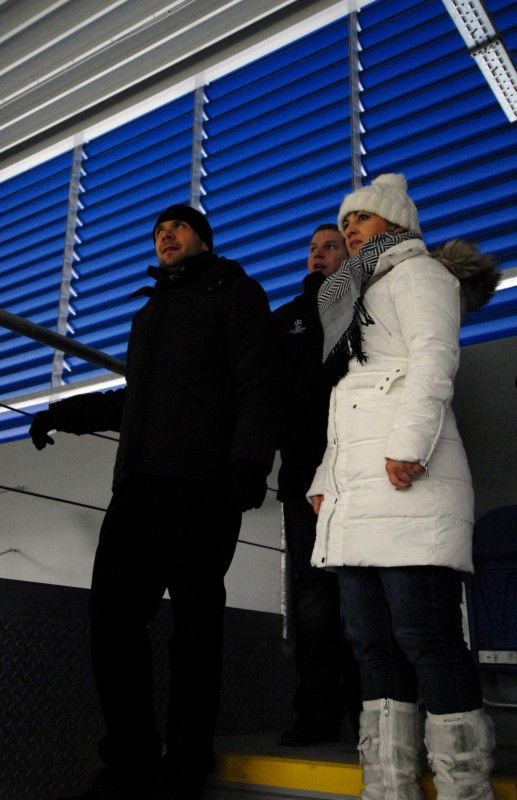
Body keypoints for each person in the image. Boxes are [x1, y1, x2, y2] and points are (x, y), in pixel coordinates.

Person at [29, 204, 279, 800]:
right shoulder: (152, 312)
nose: (166, 235)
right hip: (139, 485)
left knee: (196, 626)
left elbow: (258, 382)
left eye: (178, 228)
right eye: (159, 231)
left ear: (203, 238)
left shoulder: (236, 293)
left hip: (203, 486)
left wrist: (248, 465)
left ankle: (189, 757)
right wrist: (64, 413)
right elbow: (133, 399)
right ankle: (131, 756)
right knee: (112, 619)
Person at [308, 175, 500, 800]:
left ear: (396, 223)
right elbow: (354, 395)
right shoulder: (360, 292)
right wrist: (322, 481)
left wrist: (410, 448)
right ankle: (388, 786)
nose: (350, 228)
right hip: (358, 490)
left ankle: (464, 788)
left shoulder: (419, 275)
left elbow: (433, 360)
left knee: (425, 635)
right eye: (347, 220)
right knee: (370, 642)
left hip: (407, 480)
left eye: (363, 217)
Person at [274, 224, 361, 746]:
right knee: (311, 600)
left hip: (360, 472)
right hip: (303, 477)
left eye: (331, 247)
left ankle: (370, 713)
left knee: (362, 592)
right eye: (312, 249)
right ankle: (316, 713)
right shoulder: (285, 322)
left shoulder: (365, 309)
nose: (318, 255)